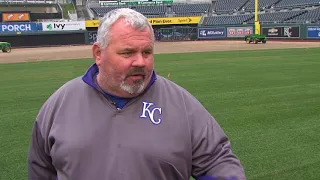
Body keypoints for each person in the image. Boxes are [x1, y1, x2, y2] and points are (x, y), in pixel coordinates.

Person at [27, 8, 246, 180]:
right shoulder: (59, 105)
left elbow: (218, 162)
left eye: (147, 52)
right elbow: (40, 171)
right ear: (98, 54)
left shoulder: (182, 105)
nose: (140, 62)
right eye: (128, 52)